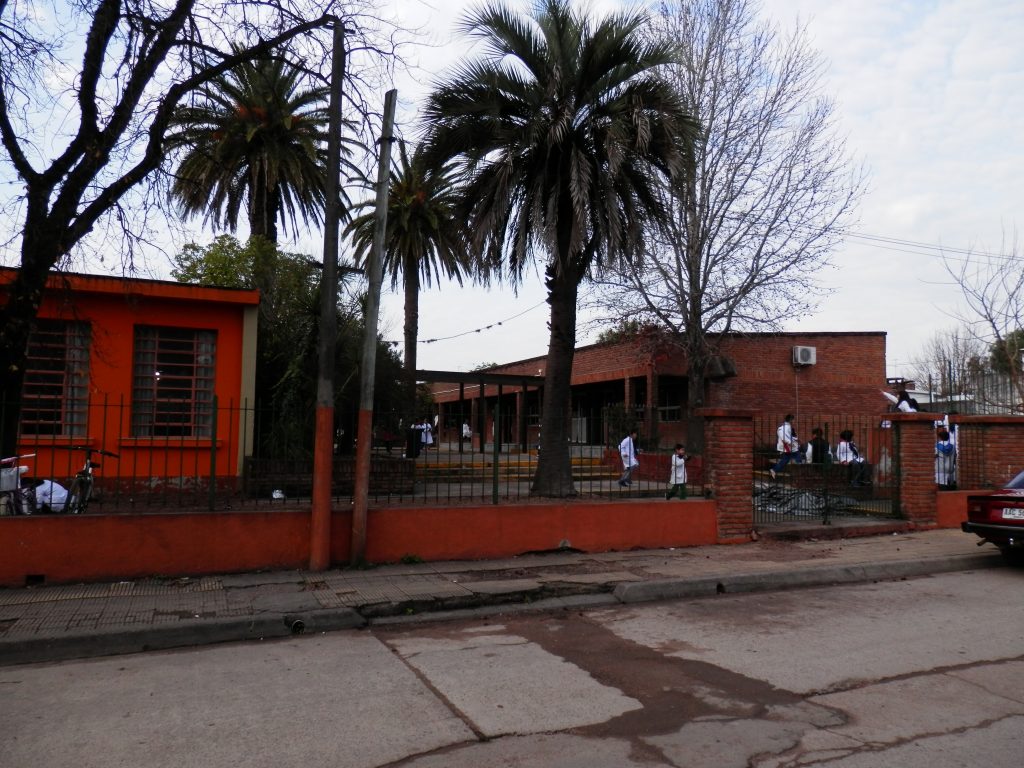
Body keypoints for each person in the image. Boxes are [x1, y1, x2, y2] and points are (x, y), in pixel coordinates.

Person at [769, 414, 802, 479]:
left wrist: (796, 439)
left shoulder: (788, 427)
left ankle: (774, 470)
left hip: (790, 446)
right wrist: (790, 443)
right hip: (788, 447)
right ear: (790, 420)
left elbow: (789, 436)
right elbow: (783, 437)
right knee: (798, 458)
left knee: (785, 459)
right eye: (793, 419)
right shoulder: (784, 427)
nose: (794, 421)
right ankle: (799, 473)